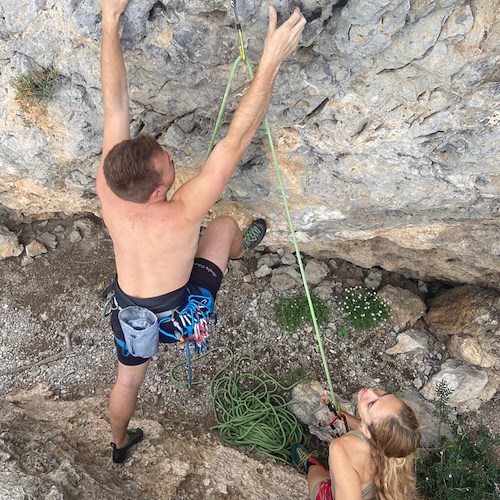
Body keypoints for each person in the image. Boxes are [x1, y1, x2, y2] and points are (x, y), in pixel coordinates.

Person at [97, 0, 306, 463]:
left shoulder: (112, 184)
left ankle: (117, 444)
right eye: (169, 163)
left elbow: (115, 104)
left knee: (127, 379)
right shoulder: (182, 211)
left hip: (131, 312)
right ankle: (237, 251)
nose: (172, 158)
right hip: (180, 313)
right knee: (227, 224)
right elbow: (236, 137)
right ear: (156, 192)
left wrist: (109, 20)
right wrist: (270, 60)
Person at [292, 388, 421, 500]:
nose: (371, 391)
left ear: (367, 430)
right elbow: (367, 426)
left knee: (314, 473)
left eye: (371, 404)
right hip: (367, 490)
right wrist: (341, 413)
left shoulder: (341, 449)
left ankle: (309, 463)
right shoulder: (397, 444)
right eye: (384, 394)